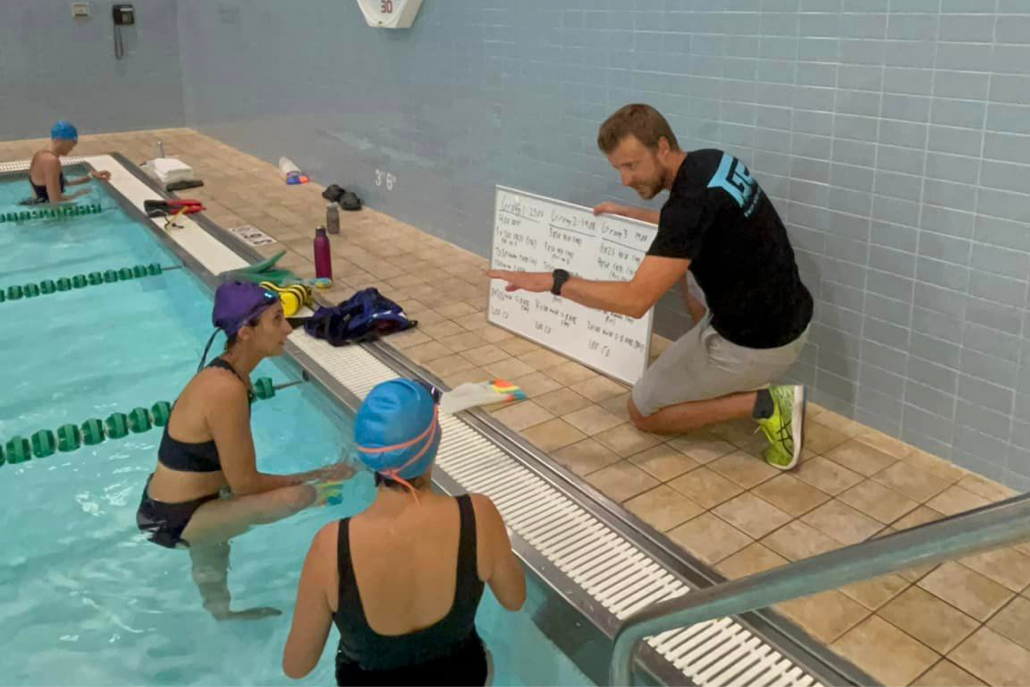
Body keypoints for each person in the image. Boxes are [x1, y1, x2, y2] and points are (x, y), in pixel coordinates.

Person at [488, 104, 814, 470]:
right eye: (618, 169)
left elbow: (634, 301)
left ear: (662, 147)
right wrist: (632, 215)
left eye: (631, 165)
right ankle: (724, 375)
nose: (626, 180)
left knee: (643, 410)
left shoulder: (689, 207)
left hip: (759, 342)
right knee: (688, 285)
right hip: (786, 310)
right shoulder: (711, 162)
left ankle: (768, 404)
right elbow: (696, 222)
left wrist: (555, 281)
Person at [283, 379, 526, 686]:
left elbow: (297, 665)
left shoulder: (331, 546)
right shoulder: (477, 516)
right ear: (434, 442)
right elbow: (514, 599)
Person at [136, 281, 353, 620]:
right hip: (175, 520)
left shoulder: (230, 374)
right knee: (298, 497)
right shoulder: (225, 390)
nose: (287, 329)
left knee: (220, 524)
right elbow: (246, 486)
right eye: (277, 319)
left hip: (179, 504)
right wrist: (319, 477)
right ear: (246, 332)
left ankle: (220, 611)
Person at [27, 120, 111, 203]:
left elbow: (65, 184)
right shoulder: (51, 162)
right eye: (73, 142)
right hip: (47, 213)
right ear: (62, 140)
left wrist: (90, 176)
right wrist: (77, 195)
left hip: (36, 206)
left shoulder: (39, 155)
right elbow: (55, 203)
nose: (73, 147)